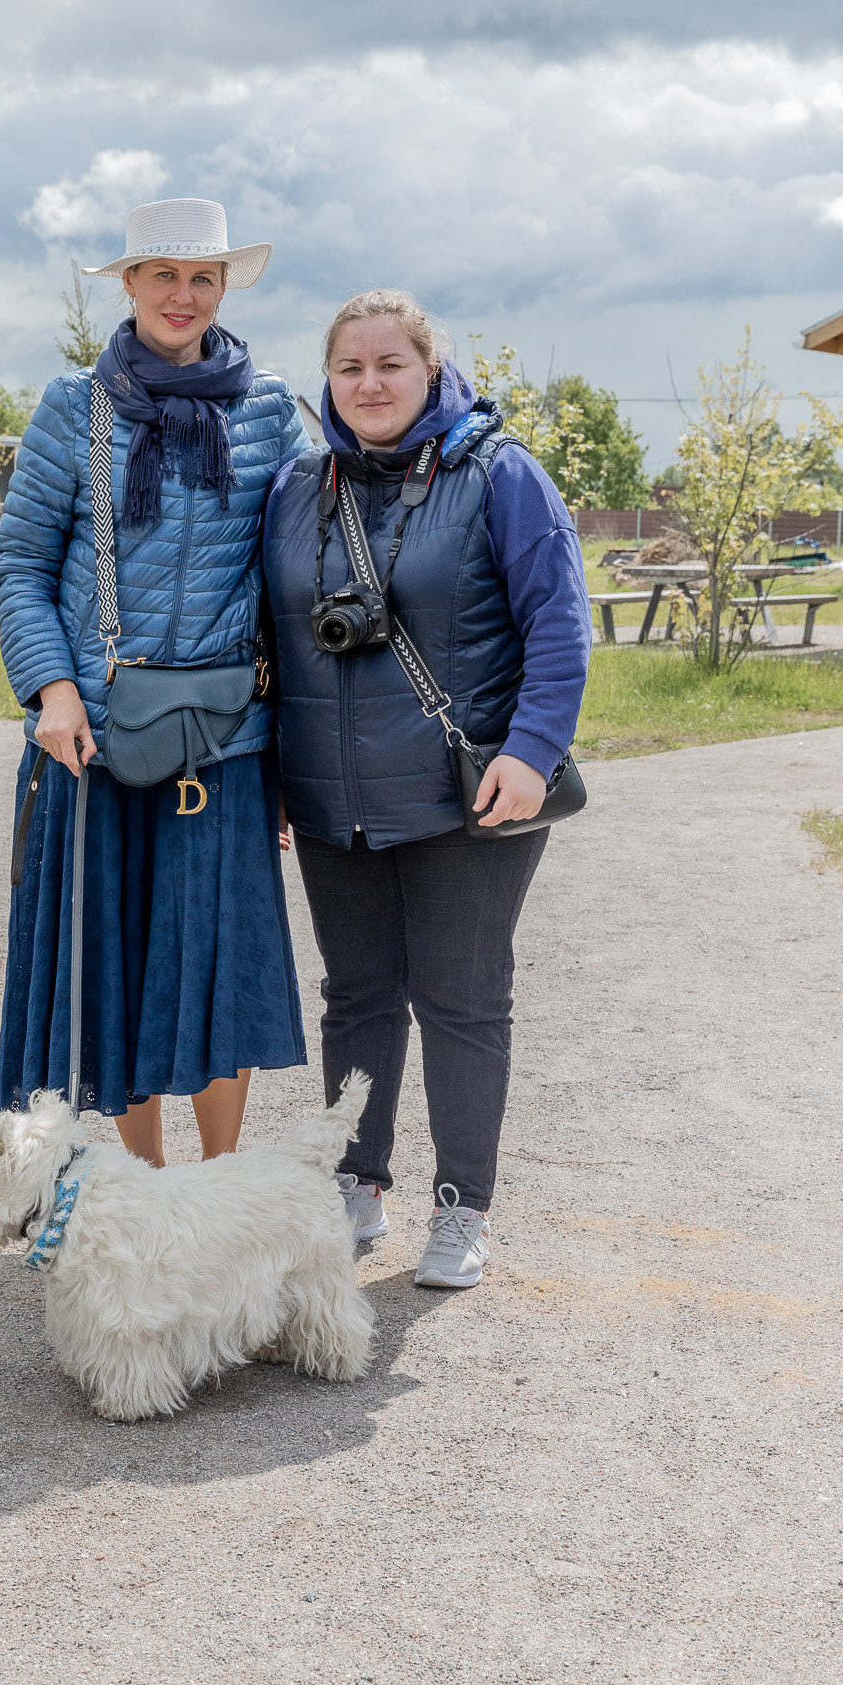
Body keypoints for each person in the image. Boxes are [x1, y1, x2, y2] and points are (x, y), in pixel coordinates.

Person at [263, 289, 591, 1287]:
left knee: (459, 1000)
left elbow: (560, 625)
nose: (367, 384)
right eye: (348, 368)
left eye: (388, 365)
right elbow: (269, 638)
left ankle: (461, 1208)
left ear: (429, 372)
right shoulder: (294, 485)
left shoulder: (500, 475)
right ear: (328, 380)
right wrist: (269, 775)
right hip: (329, 797)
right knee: (354, 998)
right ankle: (353, 1187)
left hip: (468, 794)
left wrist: (531, 751)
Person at [0, 198, 311, 1164]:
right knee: (122, 970)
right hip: (93, 733)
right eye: (163, 274)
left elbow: (291, 581)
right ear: (128, 283)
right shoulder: (72, 408)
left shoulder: (268, 410)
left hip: (227, 739)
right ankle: (145, 1188)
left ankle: (219, 1192)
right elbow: (20, 566)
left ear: (224, 288)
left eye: (202, 277)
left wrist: (298, 747)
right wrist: (53, 690)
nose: (183, 295)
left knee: (218, 973)